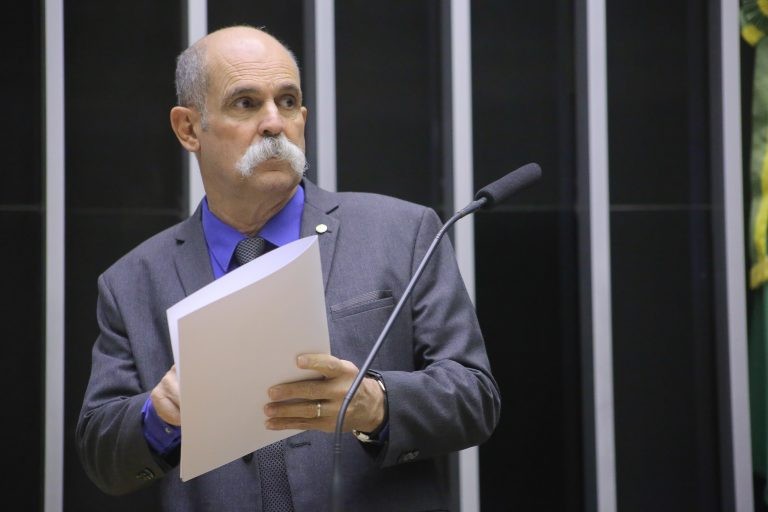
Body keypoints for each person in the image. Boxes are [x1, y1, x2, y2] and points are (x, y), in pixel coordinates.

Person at [76, 25, 500, 512]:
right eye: (246, 103)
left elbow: (474, 396)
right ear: (189, 128)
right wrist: (160, 416)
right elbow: (100, 454)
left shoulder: (401, 233)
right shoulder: (132, 281)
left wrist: (375, 403)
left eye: (289, 101)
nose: (274, 123)